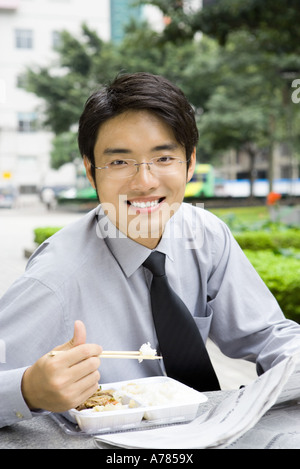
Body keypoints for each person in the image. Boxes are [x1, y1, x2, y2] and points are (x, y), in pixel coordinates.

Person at [0, 72, 299, 428]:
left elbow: (266, 333)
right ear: (91, 172)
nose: (144, 182)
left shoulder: (205, 234)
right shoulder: (55, 279)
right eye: (119, 162)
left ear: (189, 164)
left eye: (163, 158)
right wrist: (28, 389)